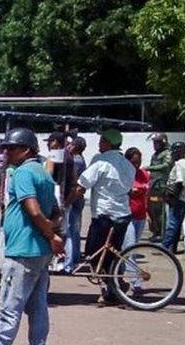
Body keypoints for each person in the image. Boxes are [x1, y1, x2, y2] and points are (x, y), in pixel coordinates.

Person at [0, 128, 61, 345]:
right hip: (39, 252)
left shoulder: (24, 172)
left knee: (9, 307)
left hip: (23, 250)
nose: (7, 153)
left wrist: (50, 235)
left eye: (11, 148)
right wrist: (53, 234)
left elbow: (34, 211)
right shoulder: (44, 173)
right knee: (37, 307)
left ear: (26, 150)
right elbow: (58, 212)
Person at [67, 129, 135, 306]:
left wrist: (66, 203)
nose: (99, 143)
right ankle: (113, 287)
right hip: (123, 214)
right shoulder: (127, 164)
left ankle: (112, 285)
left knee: (93, 252)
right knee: (114, 251)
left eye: (102, 140)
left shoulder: (100, 161)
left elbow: (82, 185)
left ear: (108, 143)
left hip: (104, 214)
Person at [62, 137, 87, 273]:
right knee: (75, 230)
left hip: (73, 197)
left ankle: (68, 264)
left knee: (70, 231)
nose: (68, 146)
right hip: (78, 197)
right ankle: (75, 258)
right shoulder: (80, 159)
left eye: (71, 144)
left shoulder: (75, 160)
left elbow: (73, 180)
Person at [162, 142, 185, 252]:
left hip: (178, 200)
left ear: (179, 152)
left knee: (172, 224)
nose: (172, 154)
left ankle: (164, 248)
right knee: (176, 225)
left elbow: (180, 182)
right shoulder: (183, 163)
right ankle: (172, 248)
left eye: (174, 151)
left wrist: (173, 198)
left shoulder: (180, 164)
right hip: (180, 199)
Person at [145, 133, 173, 242]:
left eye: (156, 142)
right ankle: (156, 231)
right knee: (152, 210)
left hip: (161, 186)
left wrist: (149, 168)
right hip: (154, 185)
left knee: (160, 211)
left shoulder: (167, 153)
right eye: (154, 142)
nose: (154, 145)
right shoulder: (156, 154)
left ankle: (162, 233)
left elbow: (166, 166)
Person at [122, 147, 150, 250]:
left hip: (141, 216)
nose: (136, 165)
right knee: (130, 246)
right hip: (128, 216)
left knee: (135, 246)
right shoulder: (123, 174)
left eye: (139, 162)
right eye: (133, 163)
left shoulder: (144, 174)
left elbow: (147, 191)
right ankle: (129, 266)